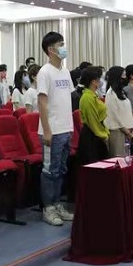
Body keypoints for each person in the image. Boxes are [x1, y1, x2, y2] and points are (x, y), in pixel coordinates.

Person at [37, 32, 75, 226]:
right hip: (51, 130)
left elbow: (66, 99)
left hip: (66, 128)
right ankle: (48, 208)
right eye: (60, 44)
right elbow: (42, 103)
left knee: (61, 168)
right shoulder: (45, 72)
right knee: (49, 170)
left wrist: (70, 127)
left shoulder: (65, 72)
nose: (63, 47)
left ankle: (58, 203)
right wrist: (47, 130)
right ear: (51, 49)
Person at [77, 66, 109, 165]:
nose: (101, 81)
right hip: (91, 136)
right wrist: (104, 136)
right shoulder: (87, 97)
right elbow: (92, 121)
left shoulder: (93, 95)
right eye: (99, 78)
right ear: (93, 81)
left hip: (97, 134)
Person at [104, 66, 133, 157]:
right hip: (117, 131)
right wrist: (126, 131)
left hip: (128, 130)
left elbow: (127, 112)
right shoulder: (110, 94)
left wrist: (131, 129)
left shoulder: (121, 92)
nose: (125, 78)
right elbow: (114, 115)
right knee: (119, 158)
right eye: (124, 75)